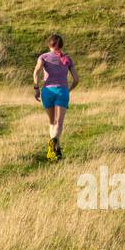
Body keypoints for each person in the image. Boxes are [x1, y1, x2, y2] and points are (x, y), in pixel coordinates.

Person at [33, 33, 78, 162]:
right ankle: (53, 148)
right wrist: (68, 89)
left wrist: (36, 88)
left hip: (47, 91)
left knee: (52, 122)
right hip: (61, 90)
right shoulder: (67, 59)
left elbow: (36, 72)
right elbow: (76, 79)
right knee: (59, 122)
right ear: (61, 46)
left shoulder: (43, 57)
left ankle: (55, 149)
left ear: (49, 45)